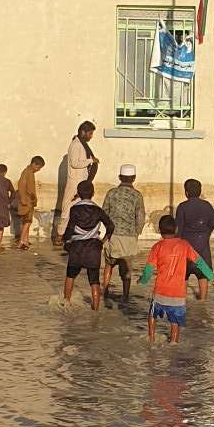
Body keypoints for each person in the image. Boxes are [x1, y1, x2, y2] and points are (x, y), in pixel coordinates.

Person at [139, 215, 214, 343]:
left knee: (152, 315)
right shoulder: (184, 245)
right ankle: (173, 342)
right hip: (178, 294)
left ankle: (151, 338)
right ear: (176, 229)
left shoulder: (157, 247)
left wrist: (143, 280)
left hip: (160, 292)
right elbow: (199, 262)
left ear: (159, 230)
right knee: (175, 321)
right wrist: (212, 277)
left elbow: (149, 269)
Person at [62, 180, 114, 311]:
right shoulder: (98, 210)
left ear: (78, 194)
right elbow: (111, 226)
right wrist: (102, 241)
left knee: (70, 275)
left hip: (77, 248)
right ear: (93, 193)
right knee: (94, 280)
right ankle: (95, 310)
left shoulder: (74, 209)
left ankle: (66, 303)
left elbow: (70, 227)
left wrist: (65, 240)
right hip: (93, 249)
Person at [101, 164, 145, 300]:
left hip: (113, 235)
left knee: (109, 264)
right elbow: (141, 217)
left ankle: (105, 292)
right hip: (129, 237)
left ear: (119, 177)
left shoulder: (111, 192)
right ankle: (125, 296)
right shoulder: (137, 195)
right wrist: (136, 233)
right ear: (134, 178)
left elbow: (104, 213)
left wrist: (108, 231)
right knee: (126, 268)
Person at [175, 178, 214, 300]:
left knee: (184, 275)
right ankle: (203, 300)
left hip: (186, 248)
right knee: (203, 275)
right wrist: (205, 234)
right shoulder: (207, 206)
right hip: (203, 246)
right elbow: (213, 222)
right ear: (200, 192)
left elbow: (178, 229)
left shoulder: (182, 207)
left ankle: (182, 299)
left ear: (186, 192)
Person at [56, 121, 99, 242]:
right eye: (90, 133)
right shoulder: (76, 145)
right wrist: (90, 161)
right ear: (83, 132)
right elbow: (75, 163)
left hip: (82, 183)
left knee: (81, 209)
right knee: (67, 208)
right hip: (74, 183)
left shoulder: (82, 144)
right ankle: (60, 235)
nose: (91, 136)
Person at [16, 156, 45, 250]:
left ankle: (26, 240)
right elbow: (21, 185)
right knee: (27, 221)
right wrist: (23, 199)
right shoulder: (26, 172)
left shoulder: (30, 172)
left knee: (27, 221)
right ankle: (21, 241)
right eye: (38, 167)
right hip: (27, 201)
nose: (39, 170)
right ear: (34, 164)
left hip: (30, 201)